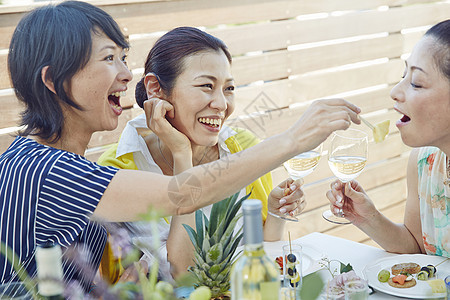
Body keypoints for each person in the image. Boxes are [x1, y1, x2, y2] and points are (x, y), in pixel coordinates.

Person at [0, 0, 361, 291]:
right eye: (109, 58)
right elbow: (182, 194)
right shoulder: (47, 170)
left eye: (123, 58)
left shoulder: (45, 160)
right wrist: (292, 140)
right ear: (53, 80)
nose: (127, 74)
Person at [98, 27, 305, 281]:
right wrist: (181, 154)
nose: (221, 104)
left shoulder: (244, 147)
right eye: (207, 86)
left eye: (228, 89)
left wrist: (275, 213)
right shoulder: (117, 168)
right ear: (155, 88)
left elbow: (260, 253)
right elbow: (152, 279)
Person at [326, 19, 450, 258]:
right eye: (404, 76)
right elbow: (416, 248)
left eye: (416, 83)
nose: (395, 92)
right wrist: (368, 218)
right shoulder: (425, 163)